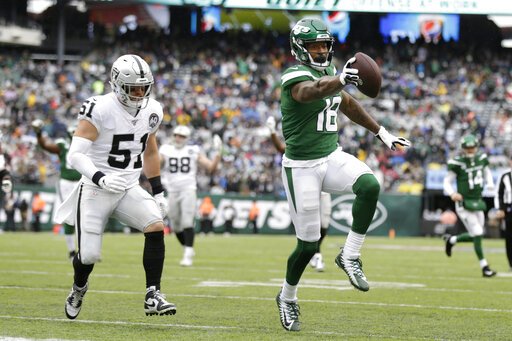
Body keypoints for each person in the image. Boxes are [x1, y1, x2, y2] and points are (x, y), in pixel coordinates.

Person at [275, 18, 411, 332]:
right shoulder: (295, 74)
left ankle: (349, 255)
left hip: (330, 155)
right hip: (301, 167)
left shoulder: (329, 72)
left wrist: (382, 133)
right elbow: (310, 92)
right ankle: (287, 296)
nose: (321, 51)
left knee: (369, 184)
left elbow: (347, 104)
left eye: (325, 45)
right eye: (315, 46)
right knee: (308, 246)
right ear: (300, 48)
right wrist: (339, 79)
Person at [56, 54, 176, 320]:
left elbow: (151, 151)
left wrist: (158, 191)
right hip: (96, 188)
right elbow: (74, 155)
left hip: (128, 186)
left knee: (155, 225)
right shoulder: (99, 108)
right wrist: (100, 177)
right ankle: (78, 288)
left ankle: (152, 294)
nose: (139, 93)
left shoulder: (152, 110)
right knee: (87, 256)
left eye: (144, 87)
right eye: (133, 88)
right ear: (117, 84)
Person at [266, 116, 331, 272]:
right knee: (310, 225)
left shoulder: (327, 136)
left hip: (325, 186)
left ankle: (316, 253)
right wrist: (273, 133)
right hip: (308, 185)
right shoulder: (301, 136)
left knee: (324, 224)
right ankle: (316, 255)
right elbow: (282, 149)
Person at [159, 125, 222, 266]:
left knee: (187, 222)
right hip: (172, 190)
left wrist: (218, 154)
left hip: (188, 189)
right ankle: (187, 248)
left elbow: (211, 168)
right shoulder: (165, 149)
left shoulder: (193, 150)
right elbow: (157, 164)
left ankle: (188, 253)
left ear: (187, 138)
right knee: (175, 226)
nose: (178, 138)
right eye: (176, 135)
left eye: (181, 136)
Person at [443, 134, 496, 277]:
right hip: (464, 203)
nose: (471, 150)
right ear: (463, 148)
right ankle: (485, 267)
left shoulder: (481, 159)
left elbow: (487, 172)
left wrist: (490, 184)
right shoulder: (458, 163)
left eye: (473, 148)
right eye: (468, 148)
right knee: (478, 233)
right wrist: (452, 193)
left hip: (478, 200)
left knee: (477, 235)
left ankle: (452, 240)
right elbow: (447, 181)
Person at [32, 120, 81, 260]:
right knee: (69, 215)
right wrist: (39, 133)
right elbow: (45, 145)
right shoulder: (63, 144)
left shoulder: (89, 144)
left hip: (82, 181)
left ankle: (86, 250)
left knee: (84, 215)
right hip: (66, 182)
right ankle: (72, 251)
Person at [494, 160, 512, 271]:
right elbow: (498, 194)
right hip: (509, 210)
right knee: (509, 238)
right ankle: (511, 264)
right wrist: (500, 209)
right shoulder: (505, 176)